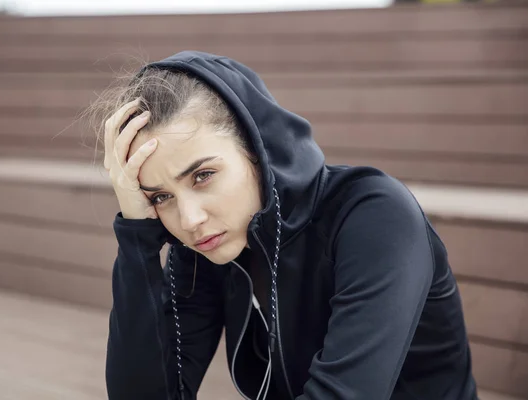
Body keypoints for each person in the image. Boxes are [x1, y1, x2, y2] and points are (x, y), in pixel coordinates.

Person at [94, 51, 478, 399]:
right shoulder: (206, 248)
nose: (190, 220)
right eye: (161, 197)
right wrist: (136, 237)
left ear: (257, 152)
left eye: (203, 175)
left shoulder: (374, 216)